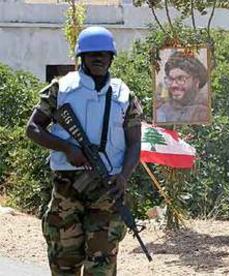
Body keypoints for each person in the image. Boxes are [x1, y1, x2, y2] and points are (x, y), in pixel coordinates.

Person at [26, 26, 143, 275]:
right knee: (64, 262)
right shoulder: (60, 89)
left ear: (111, 57)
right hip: (67, 188)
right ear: (82, 57)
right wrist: (67, 148)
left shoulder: (125, 95)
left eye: (104, 53)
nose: (98, 58)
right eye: (92, 54)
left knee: (101, 266)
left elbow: (134, 142)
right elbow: (33, 128)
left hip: (108, 188)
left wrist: (123, 177)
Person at [155, 51, 210, 124]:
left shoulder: (203, 112)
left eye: (180, 79)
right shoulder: (161, 113)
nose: (173, 85)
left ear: (196, 82)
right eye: (171, 79)